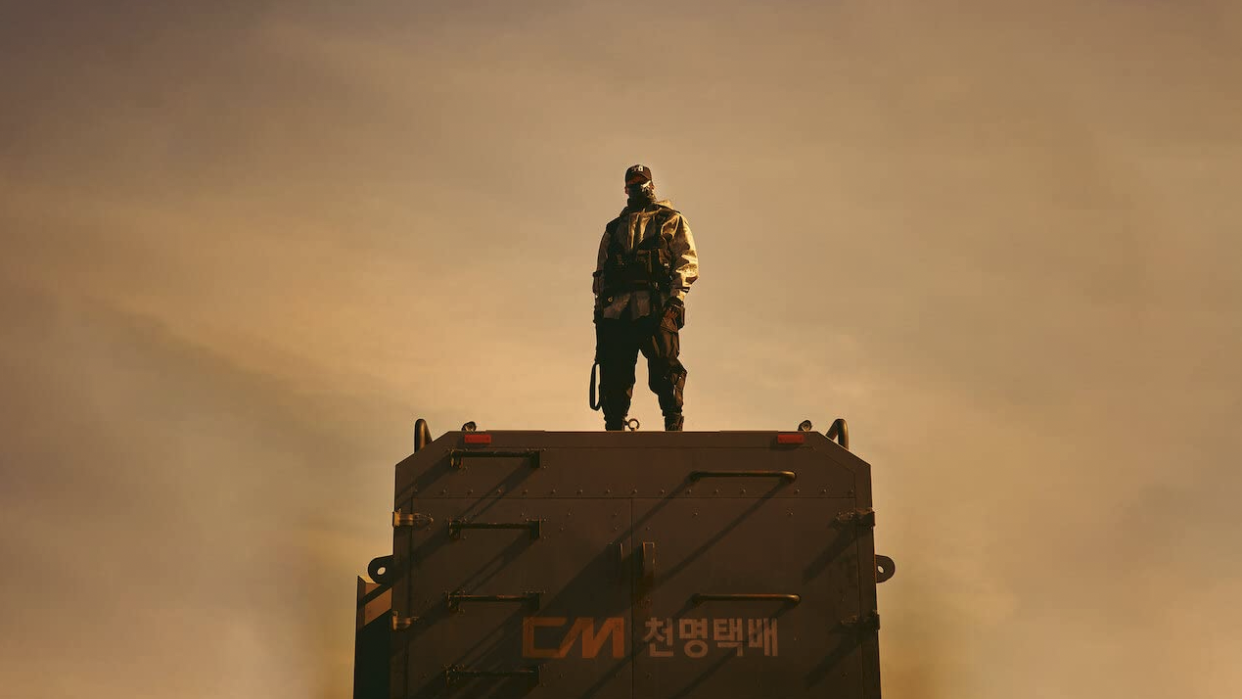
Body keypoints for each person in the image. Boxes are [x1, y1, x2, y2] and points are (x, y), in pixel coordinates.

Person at [592, 164, 699, 431]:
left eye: (643, 181)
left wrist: (676, 298)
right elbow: (601, 273)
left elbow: (686, 260)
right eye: (633, 182)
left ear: (651, 185)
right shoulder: (614, 228)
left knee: (665, 368)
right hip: (617, 312)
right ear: (626, 188)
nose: (638, 186)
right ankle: (614, 425)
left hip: (657, 307)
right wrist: (599, 312)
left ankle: (673, 422)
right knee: (614, 371)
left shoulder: (670, 219)